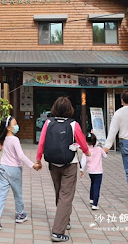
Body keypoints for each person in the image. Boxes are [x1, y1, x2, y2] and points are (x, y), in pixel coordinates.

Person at [36, 97, 90, 243]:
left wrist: (38, 159)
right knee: (66, 196)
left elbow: (41, 142)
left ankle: (65, 220)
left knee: (59, 193)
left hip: (53, 163)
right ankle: (58, 232)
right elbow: (82, 142)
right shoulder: (73, 124)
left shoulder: (48, 122)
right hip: (69, 164)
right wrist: (87, 152)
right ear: (69, 109)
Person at [0, 115, 40, 231]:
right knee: (18, 193)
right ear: (8, 127)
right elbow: (21, 155)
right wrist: (33, 165)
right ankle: (20, 214)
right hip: (14, 170)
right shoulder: (15, 139)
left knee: (0, 194)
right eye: (15, 124)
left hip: (3, 168)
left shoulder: (4, 139)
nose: (17, 126)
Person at [79, 132, 107, 210]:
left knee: (92, 183)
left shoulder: (86, 150)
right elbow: (105, 156)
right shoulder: (99, 149)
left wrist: (81, 170)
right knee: (97, 187)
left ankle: (91, 199)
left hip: (90, 171)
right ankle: (95, 204)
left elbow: (83, 160)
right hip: (98, 171)